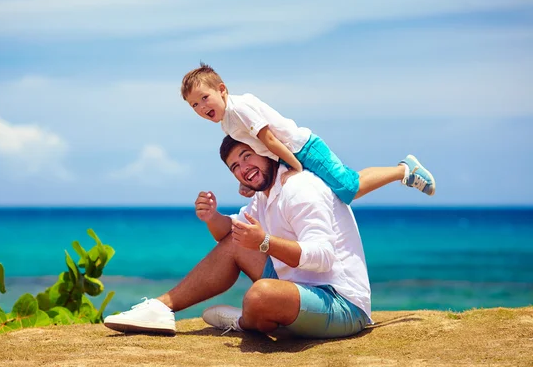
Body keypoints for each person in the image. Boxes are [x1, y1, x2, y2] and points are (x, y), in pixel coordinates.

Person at [104, 136, 373, 338]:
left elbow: (324, 257)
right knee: (235, 240)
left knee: (260, 296)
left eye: (247, 156)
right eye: (235, 166)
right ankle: (160, 308)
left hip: (341, 303)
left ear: (266, 151)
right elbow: (231, 235)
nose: (243, 168)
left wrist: (265, 242)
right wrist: (212, 217)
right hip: (299, 286)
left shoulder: (300, 188)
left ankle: (245, 322)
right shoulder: (266, 194)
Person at [180, 62, 435, 201]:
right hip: (288, 155)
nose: (202, 107)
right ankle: (403, 171)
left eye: (204, 97)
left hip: (304, 148)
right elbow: (260, 150)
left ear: (222, 89)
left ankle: (404, 170)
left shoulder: (239, 109)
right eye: (194, 105)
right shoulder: (227, 121)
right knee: (342, 184)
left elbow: (269, 140)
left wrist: (296, 168)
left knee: (347, 188)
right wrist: (248, 183)